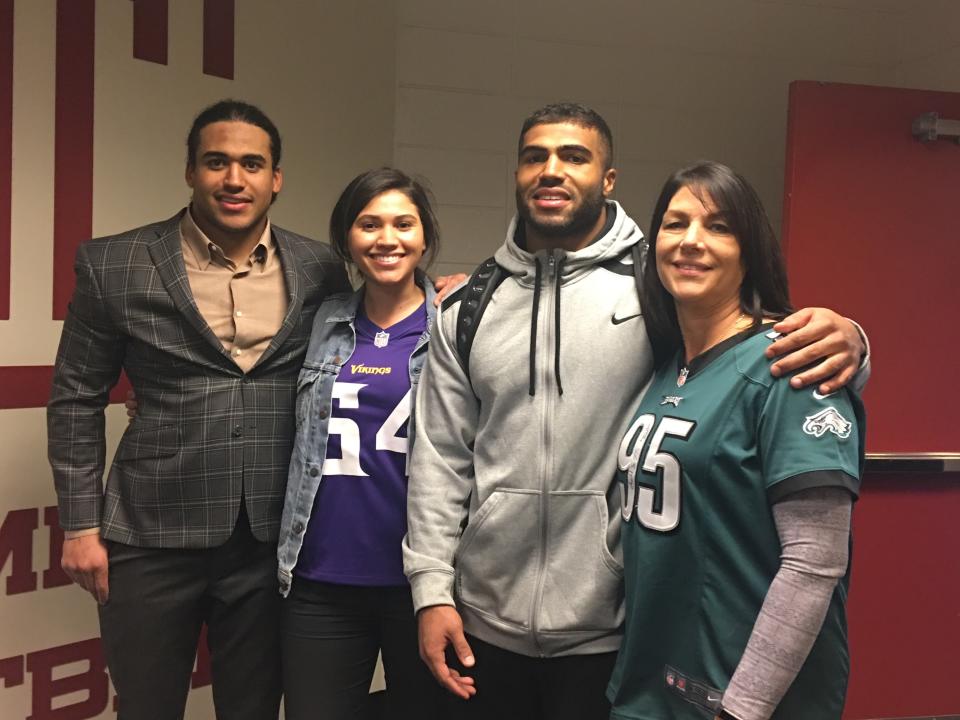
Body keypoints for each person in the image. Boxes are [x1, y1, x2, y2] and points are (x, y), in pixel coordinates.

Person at [402, 103, 869, 720]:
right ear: (515, 171)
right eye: (535, 156)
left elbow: (753, 348)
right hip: (488, 623)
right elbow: (439, 458)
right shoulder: (470, 304)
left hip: (617, 625)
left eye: (574, 156)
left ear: (609, 178)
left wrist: (855, 344)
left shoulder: (658, 279)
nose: (552, 170)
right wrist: (431, 591)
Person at [46, 98, 352, 720]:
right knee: (148, 705)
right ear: (190, 171)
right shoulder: (116, 263)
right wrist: (79, 526)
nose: (234, 179)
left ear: (276, 179)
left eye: (251, 164)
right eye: (216, 162)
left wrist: (441, 291)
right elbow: (76, 397)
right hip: (150, 534)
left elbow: (372, 329)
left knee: (254, 707)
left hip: (269, 538)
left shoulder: (320, 266)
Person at [607, 161, 864, 720]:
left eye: (718, 226)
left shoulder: (789, 366)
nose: (690, 241)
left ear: (750, 250)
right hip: (655, 683)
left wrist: (742, 710)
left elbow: (815, 561)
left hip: (741, 700)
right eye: (675, 224)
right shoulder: (672, 366)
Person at [277, 168, 446, 719]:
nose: (386, 239)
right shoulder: (323, 319)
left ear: (424, 237)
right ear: (348, 238)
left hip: (419, 587)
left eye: (403, 223)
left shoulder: (455, 325)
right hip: (321, 579)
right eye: (369, 224)